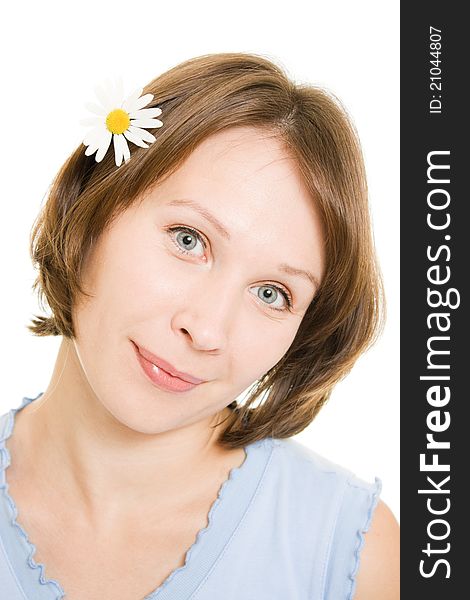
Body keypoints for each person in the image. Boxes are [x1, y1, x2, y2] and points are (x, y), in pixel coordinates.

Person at [0, 52, 399, 599]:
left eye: (271, 294)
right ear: (92, 207)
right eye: (189, 240)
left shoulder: (353, 555)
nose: (207, 330)